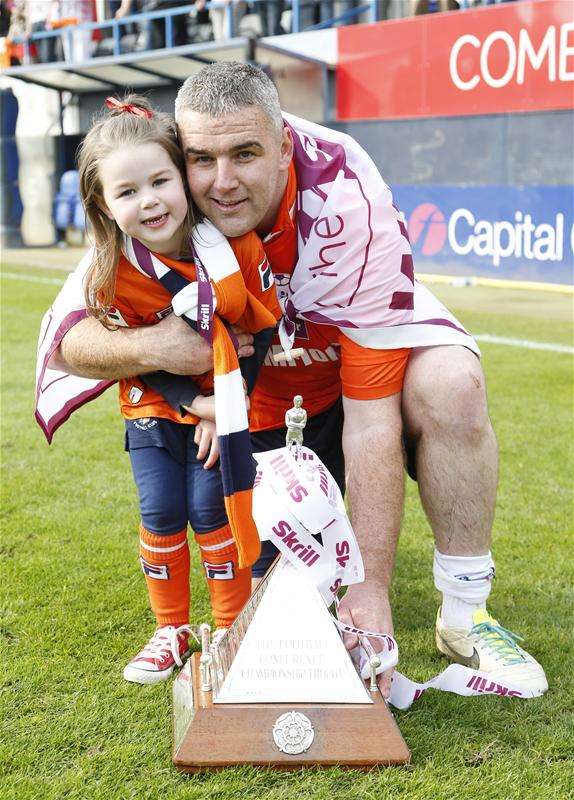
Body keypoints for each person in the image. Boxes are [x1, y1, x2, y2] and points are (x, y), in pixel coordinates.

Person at [38, 63, 547, 699]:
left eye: (245, 154)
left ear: (284, 148)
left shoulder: (347, 203)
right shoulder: (156, 192)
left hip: (341, 392)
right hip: (252, 414)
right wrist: (159, 347)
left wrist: (370, 589)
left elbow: (372, 421)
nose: (223, 182)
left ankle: (467, 615)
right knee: (279, 607)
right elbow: (68, 342)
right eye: (202, 159)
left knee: (451, 382)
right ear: (178, 153)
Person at [70, 92, 280, 684]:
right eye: (127, 192)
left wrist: (224, 407)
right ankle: (172, 630)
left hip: (226, 409)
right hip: (153, 407)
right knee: (162, 510)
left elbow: (261, 331)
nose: (149, 201)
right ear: (104, 204)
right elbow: (134, 359)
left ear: (184, 179)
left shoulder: (235, 249)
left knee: (213, 508)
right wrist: (193, 402)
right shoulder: (111, 272)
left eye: (160, 181)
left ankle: (233, 628)